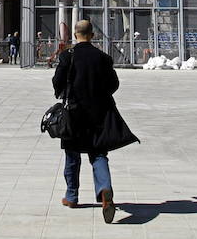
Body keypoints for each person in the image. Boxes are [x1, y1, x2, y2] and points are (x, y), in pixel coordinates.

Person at [51, 19, 138, 223]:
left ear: (75, 35)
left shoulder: (67, 56)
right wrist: (100, 96)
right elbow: (113, 84)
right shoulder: (102, 57)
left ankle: (71, 196)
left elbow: (57, 82)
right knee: (98, 153)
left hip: (73, 112)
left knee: (72, 154)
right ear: (92, 35)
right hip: (98, 112)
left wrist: (63, 93)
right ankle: (104, 189)